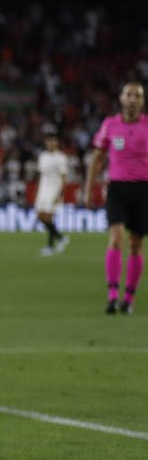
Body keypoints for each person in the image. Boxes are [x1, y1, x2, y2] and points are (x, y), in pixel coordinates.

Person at [82, 81, 147, 314]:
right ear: (121, 98)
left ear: (142, 101)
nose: (132, 99)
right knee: (116, 238)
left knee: (136, 246)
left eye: (137, 96)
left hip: (143, 191)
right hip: (117, 189)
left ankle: (128, 298)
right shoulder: (110, 125)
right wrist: (88, 189)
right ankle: (112, 295)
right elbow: (97, 159)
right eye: (129, 94)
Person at [33, 128, 72, 256]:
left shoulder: (61, 158)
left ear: (57, 142)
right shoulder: (42, 156)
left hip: (54, 189)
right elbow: (41, 175)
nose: (51, 143)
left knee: (48, 216)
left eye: (53, 140)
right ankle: (60, 238)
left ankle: (50, 247)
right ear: (45, 142)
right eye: (49, 141)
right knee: (40, 216)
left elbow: (64, 178)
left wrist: (60, 194)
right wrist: (37, 190)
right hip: (43, 189)